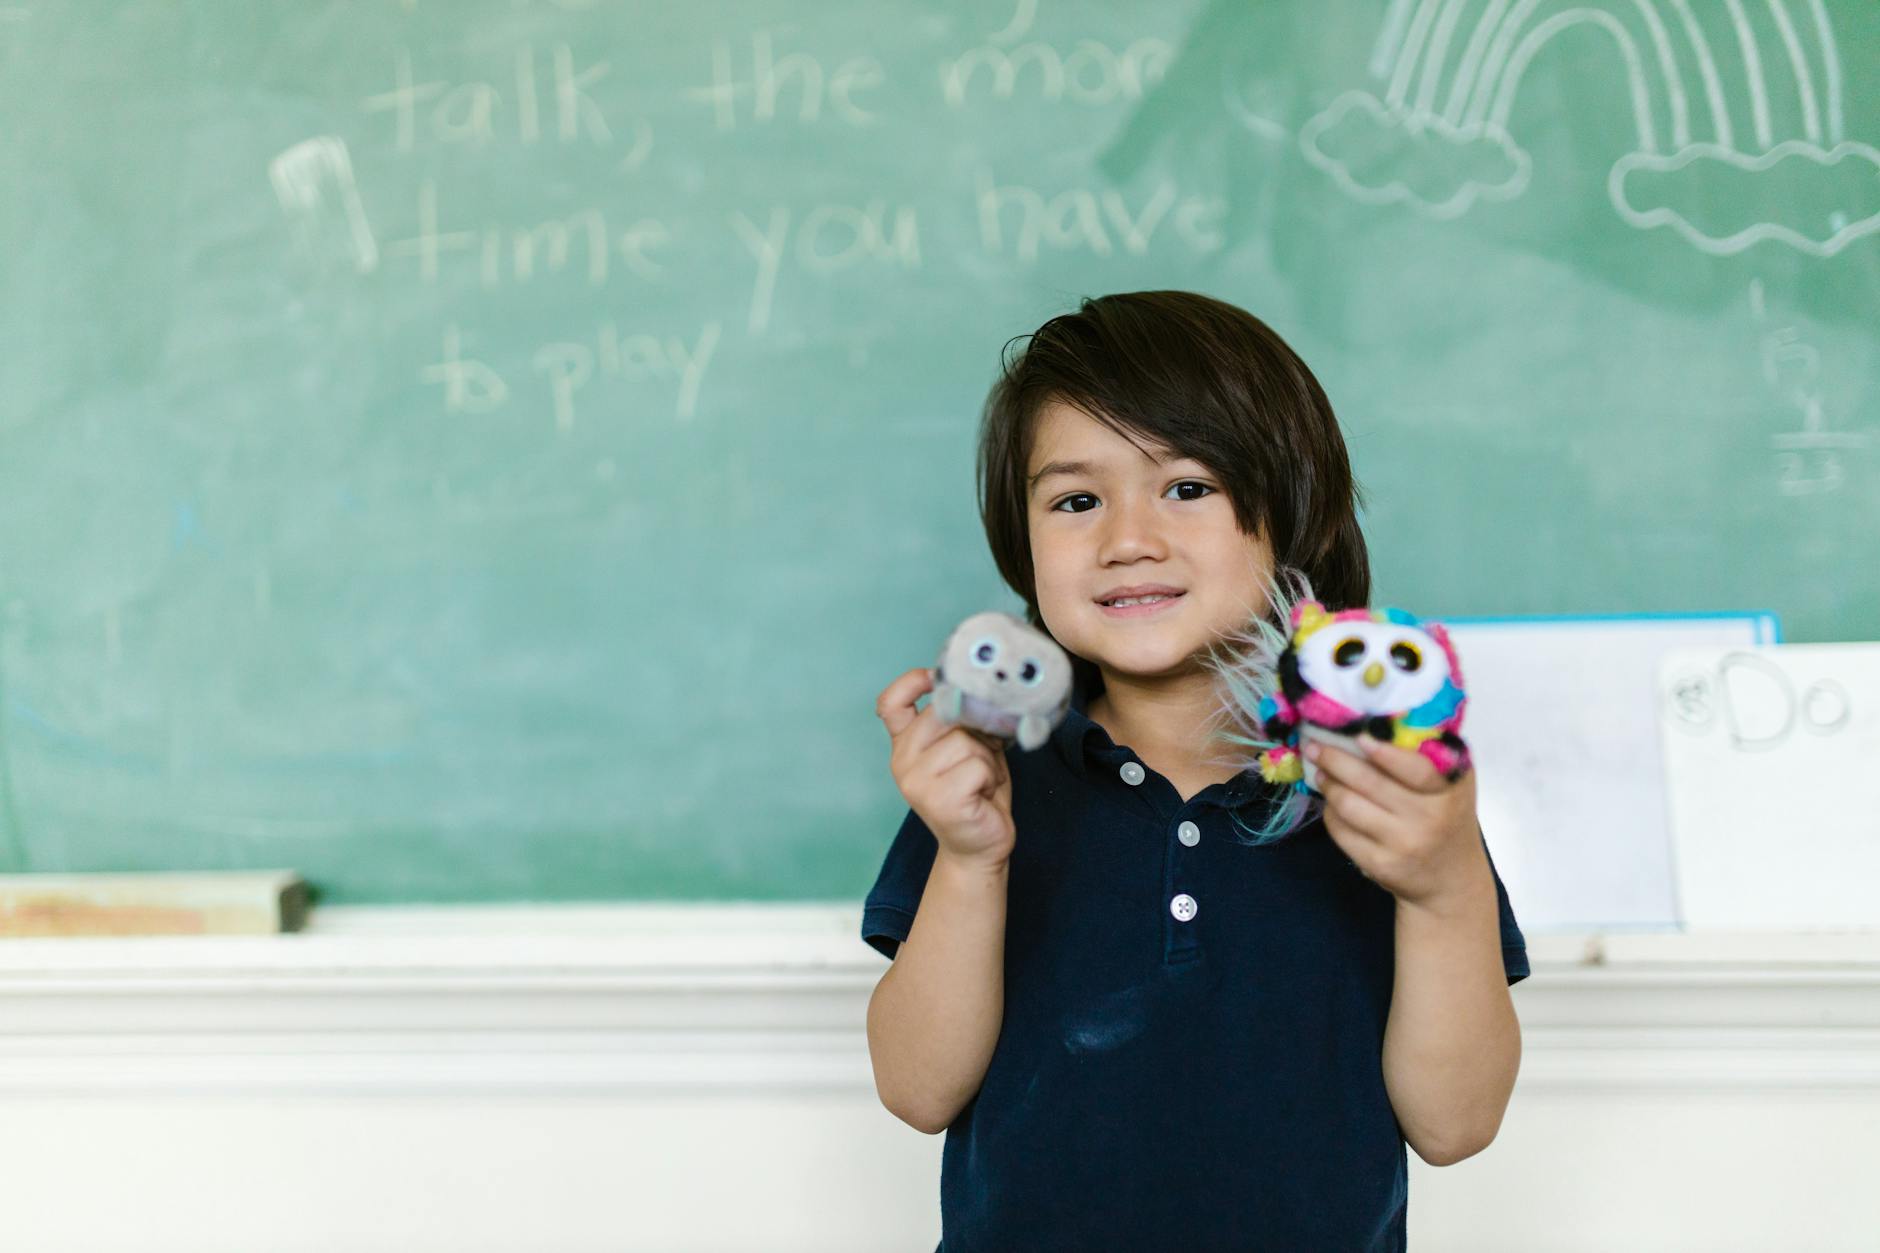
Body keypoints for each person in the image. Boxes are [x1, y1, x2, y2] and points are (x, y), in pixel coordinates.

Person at [864, 291, 1529, 1251]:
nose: (1127, 538)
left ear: (1289, 516)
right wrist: (970, 860)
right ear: (1025, 544)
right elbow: (918, 1091)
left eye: (1186, 486)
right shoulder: (988, 783)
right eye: (1075, 500)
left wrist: (1444, 887)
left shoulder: (1389, 789)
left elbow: (1456, 1125)